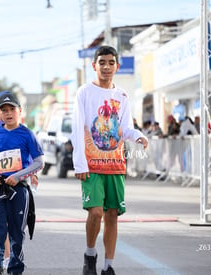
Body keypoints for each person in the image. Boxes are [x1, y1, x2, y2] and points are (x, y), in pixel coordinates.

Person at [71, 45, 148, 275]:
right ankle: (90, 254)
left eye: (111, 62)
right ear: (94, 66)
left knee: (112, 215)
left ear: (117, 66)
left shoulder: (122, 95)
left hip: (115, 164)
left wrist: (139, 136)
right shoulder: (84, 92)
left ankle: (109, 267)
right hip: (92, 164)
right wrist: (80, 163)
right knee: (95, 213)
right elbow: (77, 127)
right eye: (102, 62)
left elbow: (125, 128)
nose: (106, 67)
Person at [0, 92, 43, 275]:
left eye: (12, 109)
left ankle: (15, 268)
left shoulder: (27, 134)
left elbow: (39, 162)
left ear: (20, 111)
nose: (8, 113)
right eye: (4, 110)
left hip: (19, 190)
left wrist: (20, 176)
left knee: (16, 231)